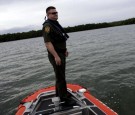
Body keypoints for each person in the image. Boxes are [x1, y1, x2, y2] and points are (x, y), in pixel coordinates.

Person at [42, 6, 75, 106]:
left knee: (60, 76)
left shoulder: (55, 24)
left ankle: (60, 94)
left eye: (56, 12)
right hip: (55, 55)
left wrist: (65, 50)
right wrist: (56, 56)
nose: (55, 14)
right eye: (53, 13)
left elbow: (59, 39)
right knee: (61, 77)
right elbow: (48, 43)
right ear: (48, 15)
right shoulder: (47, 26)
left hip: (60, 53)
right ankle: (64, 99)